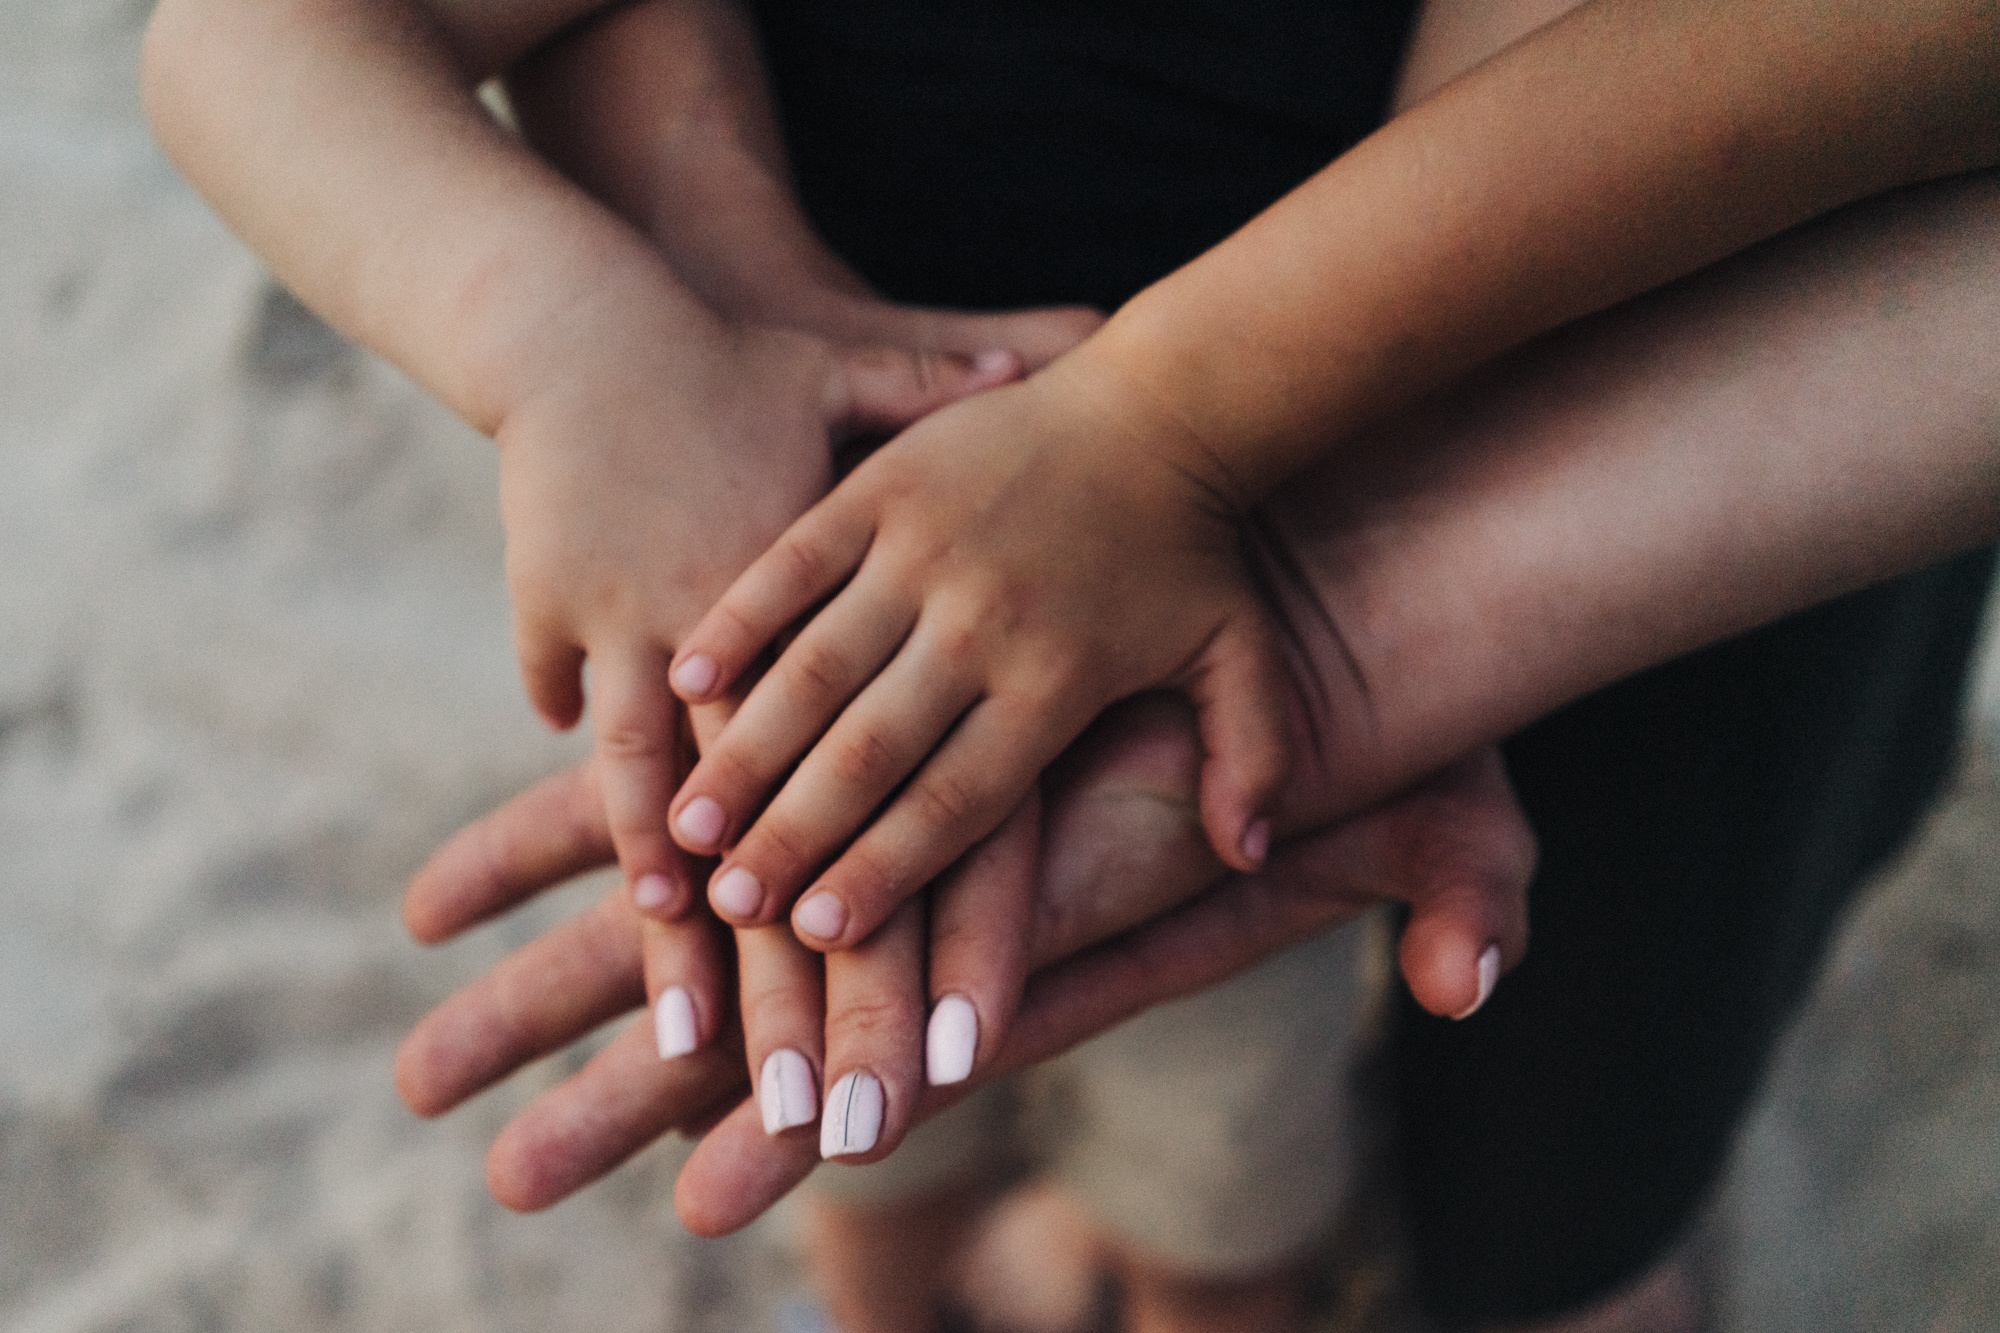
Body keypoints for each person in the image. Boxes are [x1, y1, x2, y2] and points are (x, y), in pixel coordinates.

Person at [140, 0, 2000, 1325]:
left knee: (1604, 1002)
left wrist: (1217, 452)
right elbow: (247, 34)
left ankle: (1566, 1255)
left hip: (1620, 433)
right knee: (849, 1025)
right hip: (1022, 579)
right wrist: (583, 325)